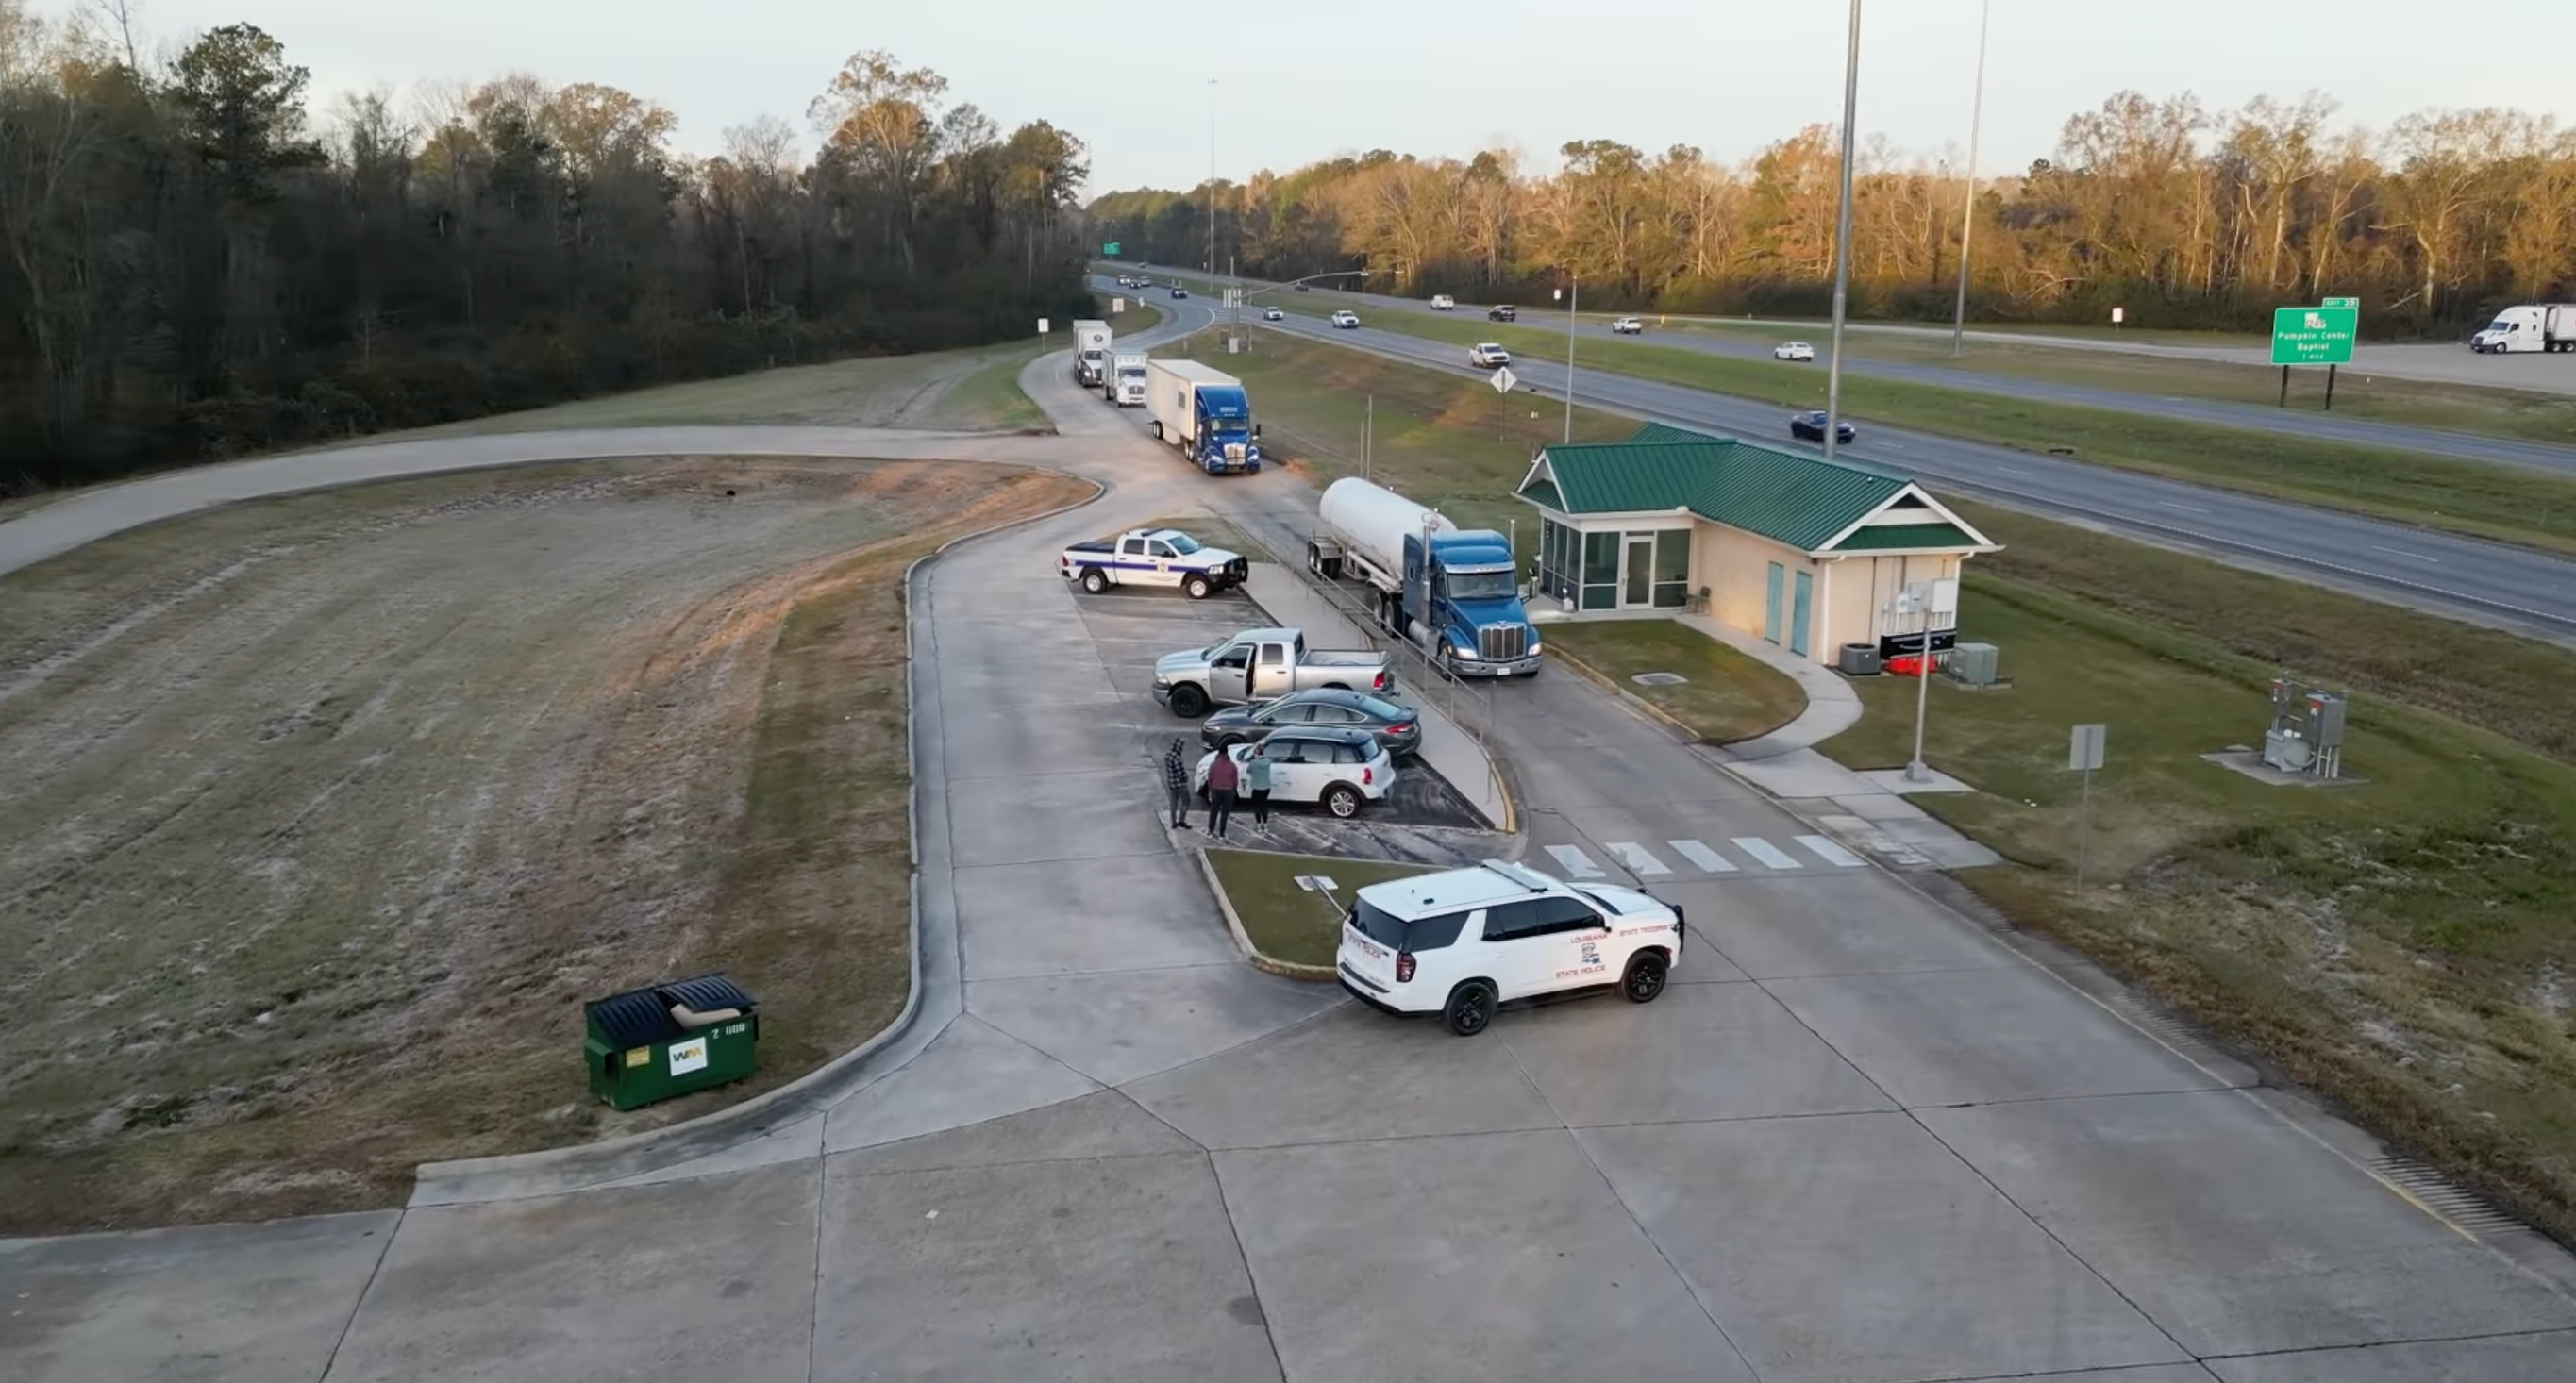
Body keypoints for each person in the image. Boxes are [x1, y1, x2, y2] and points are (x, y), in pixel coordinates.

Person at [1206, 744, 1240, 840]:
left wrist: (1211, 789)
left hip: (1216, 789)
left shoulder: (1214, 764)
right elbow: (1235, 780)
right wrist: (1234, 790)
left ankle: (1210, 831)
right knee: (1224, 813)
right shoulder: (1232, 765)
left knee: (1214, 811)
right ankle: (1222, 833)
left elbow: (1210, 778)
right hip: (1228, 791)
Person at [1163, 738, 1191, 830]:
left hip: (1171, 784)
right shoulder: (1177, 758)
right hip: (1180, 784)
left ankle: (1173, 822)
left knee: (1173, 803)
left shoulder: (1167, 755)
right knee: (1186, 801)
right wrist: (1186, 778)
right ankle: (1181, 820)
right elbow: (1180, 773)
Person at [1243, 747, 1273, 826]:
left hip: (1257, 787)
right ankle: (1265, 823)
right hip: (1266, 787)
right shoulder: (1268, 761)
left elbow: (1248, 771)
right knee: (1264, 805)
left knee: (1256, 807)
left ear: (1256, 754)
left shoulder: (1253, 763)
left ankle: (1258, 823)